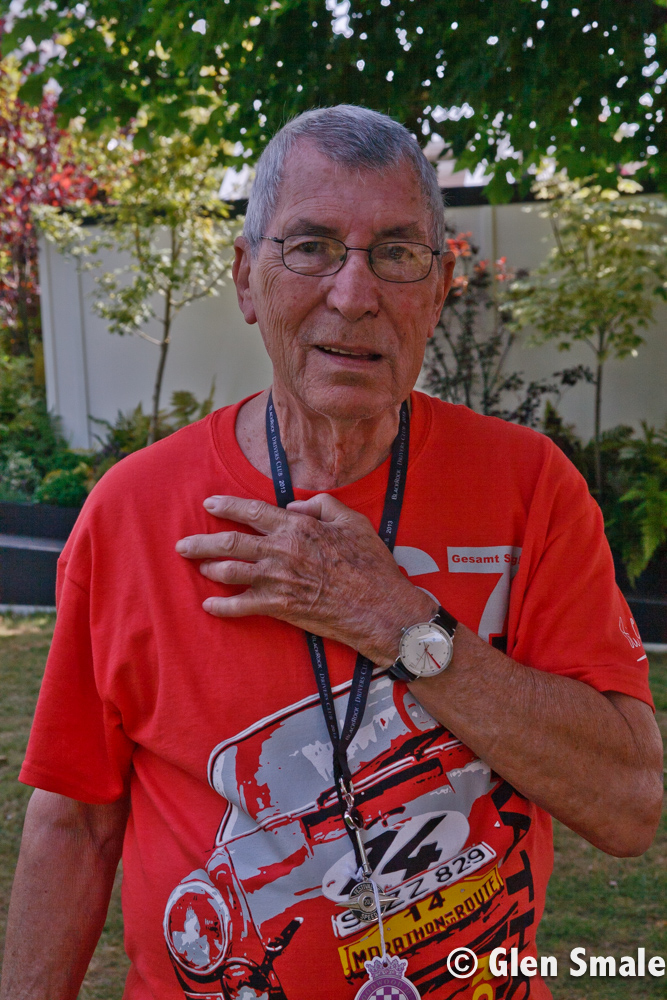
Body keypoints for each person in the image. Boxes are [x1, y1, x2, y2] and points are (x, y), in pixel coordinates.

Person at [1, 106, 662, 1000]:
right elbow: (74, 822)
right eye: (310, 246)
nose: (353, 295)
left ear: (437, 286)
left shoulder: (529, 488)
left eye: (394, 253)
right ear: (246, 279)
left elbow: (626, 806)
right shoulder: (134, 510)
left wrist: (402, 624)